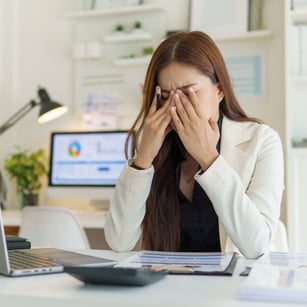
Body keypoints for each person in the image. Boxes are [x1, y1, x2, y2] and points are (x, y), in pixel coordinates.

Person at [104, 31, 284, 259]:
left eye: (189, 93)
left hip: (237, 288)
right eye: (166, 95)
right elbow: (119, 242)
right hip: (168, 286)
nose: (176, 106)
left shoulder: (262, 141)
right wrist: (144, 158)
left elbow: (256, 245)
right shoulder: (153, 145)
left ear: (219, 90)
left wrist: (209, 158)